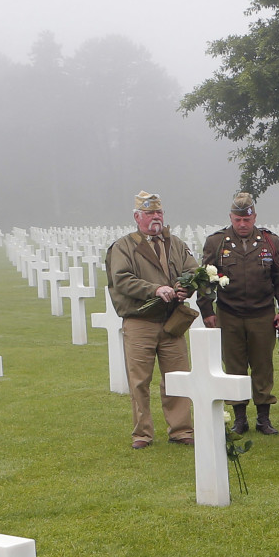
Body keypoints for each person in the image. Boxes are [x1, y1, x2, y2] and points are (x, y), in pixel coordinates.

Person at [105, 191, 196, 449]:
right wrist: (154, 289)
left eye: (158, 212)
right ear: (137, 217)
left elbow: (192, 269)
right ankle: (142, 433)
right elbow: (121, 279)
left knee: (177, 376)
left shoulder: (175, 243)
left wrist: (185, 287)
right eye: (149, 213)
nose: (155, 217)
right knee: (139, 381)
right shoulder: (124, 246)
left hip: (172, 321)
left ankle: (181, 430)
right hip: (140, 321)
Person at [199, 192, 279, 435]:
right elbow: (205, 279)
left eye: (247, 219)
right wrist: (207, 311)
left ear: (254, 217)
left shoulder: (269, 241)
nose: (242, 224)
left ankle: (264, 418)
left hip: (262, 313)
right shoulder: (217, 242)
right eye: (238, 219)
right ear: (231, 217)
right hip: (229, 313)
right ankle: (239, 417)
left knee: (263, 365)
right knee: (234, 366)